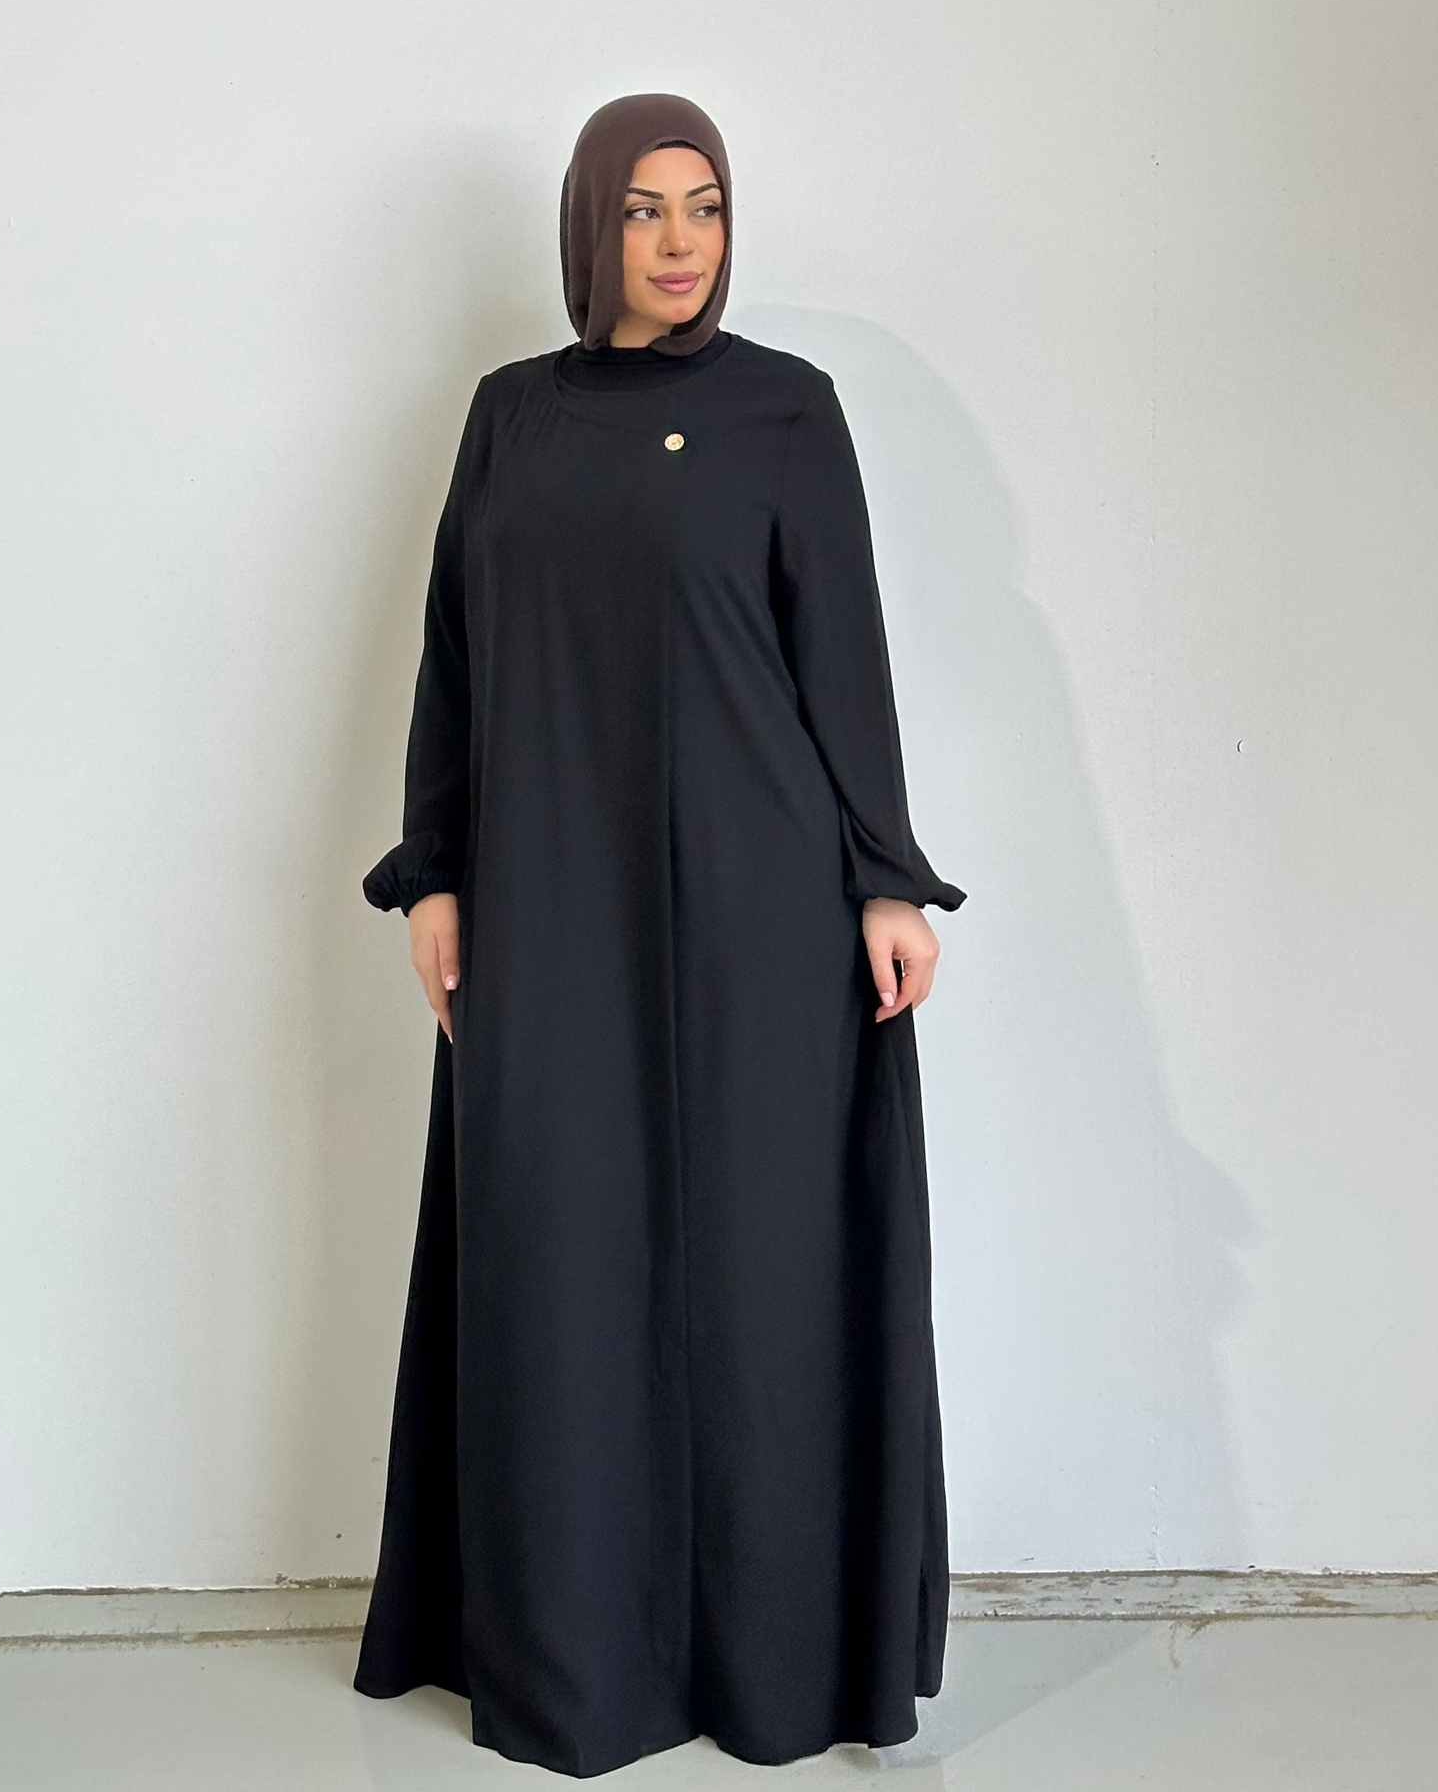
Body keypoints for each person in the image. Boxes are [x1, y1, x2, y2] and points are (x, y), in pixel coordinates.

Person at [353, 91, 965, 1778]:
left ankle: (772, 1657)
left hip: (762, 911)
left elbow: (841, 658)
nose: (681, 240)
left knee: (760, 1273)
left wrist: (882, 879)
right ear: (588, 227)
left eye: (703, 205)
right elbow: (454, 652)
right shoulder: (510, 416)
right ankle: (573, 1657)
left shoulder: (785, 409)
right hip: (552, 900)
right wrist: (436, 871)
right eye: (642, 209)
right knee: (559, 1255)